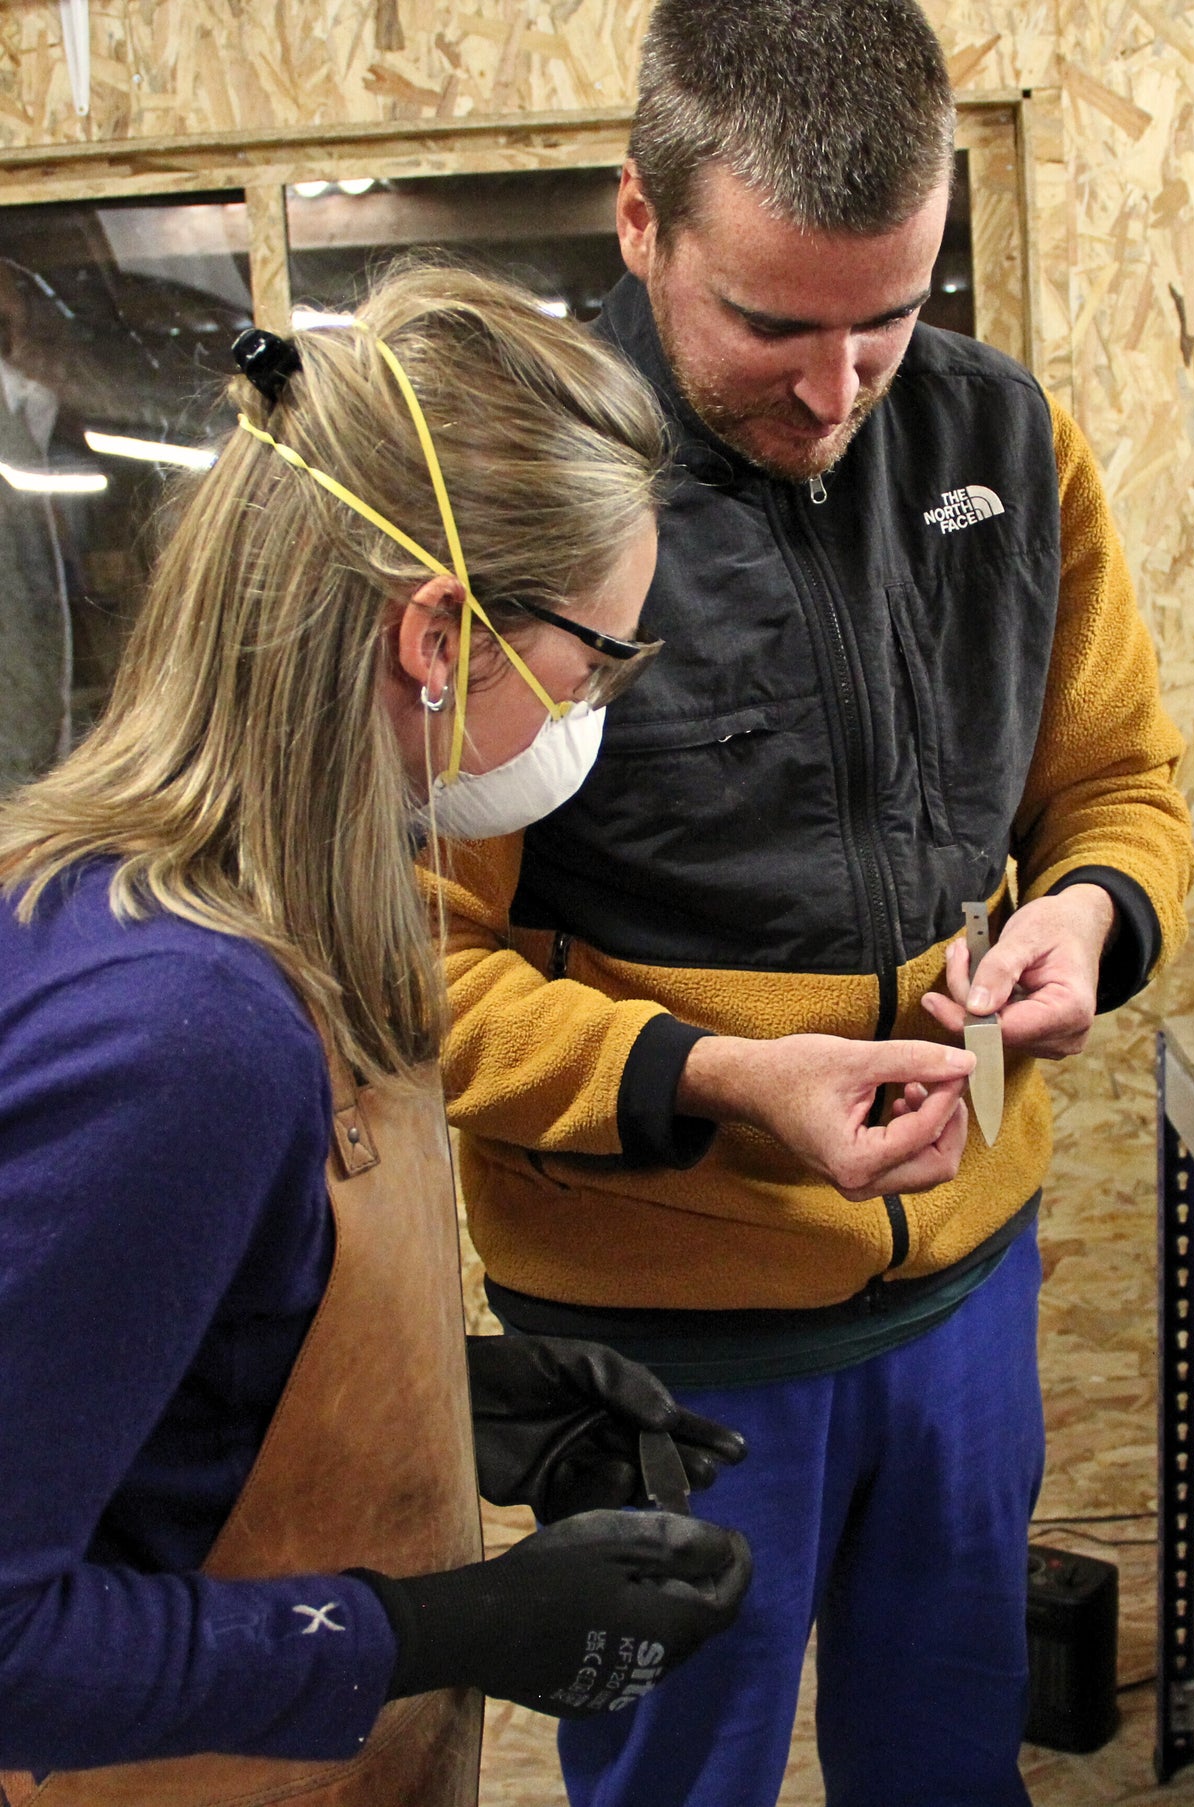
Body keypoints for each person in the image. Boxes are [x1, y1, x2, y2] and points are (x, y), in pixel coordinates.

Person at [434, 3, 1194, 1802]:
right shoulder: (513, 504)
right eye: (771, 323)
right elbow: (408, 965)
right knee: (674, 1784)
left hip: (964, 1289)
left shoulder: (1001, 440)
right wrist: (712, 1081)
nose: (839, 386)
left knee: (944, 1758)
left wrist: (1084, 917)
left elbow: (1118, 786)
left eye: (891, 314)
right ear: (638, 221)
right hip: (660, 1337)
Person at [0, 263, 755, 1807]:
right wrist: (429, 1627)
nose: (597, 704)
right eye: (596, 660)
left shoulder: (318, 922)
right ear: (436, 630)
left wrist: (464, 1408)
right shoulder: (183, 1029)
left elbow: (141, 1388)